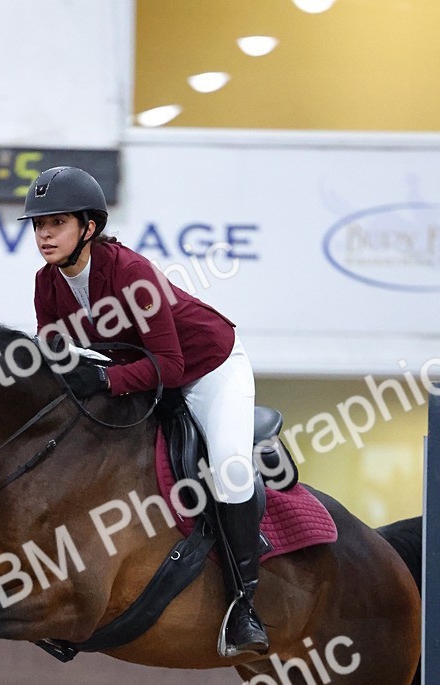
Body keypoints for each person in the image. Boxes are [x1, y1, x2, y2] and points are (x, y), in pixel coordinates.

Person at [19, 165, 268, 658]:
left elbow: (172, 366)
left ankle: (245, 606)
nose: (45, 235)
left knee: (229, 469)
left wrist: (106, 379)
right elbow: (60, 358)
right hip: (142, 376)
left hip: (208, 369)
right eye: (39, 225)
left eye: (57, 223)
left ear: (88, 228)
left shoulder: (131, 273)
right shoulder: (46, 284)